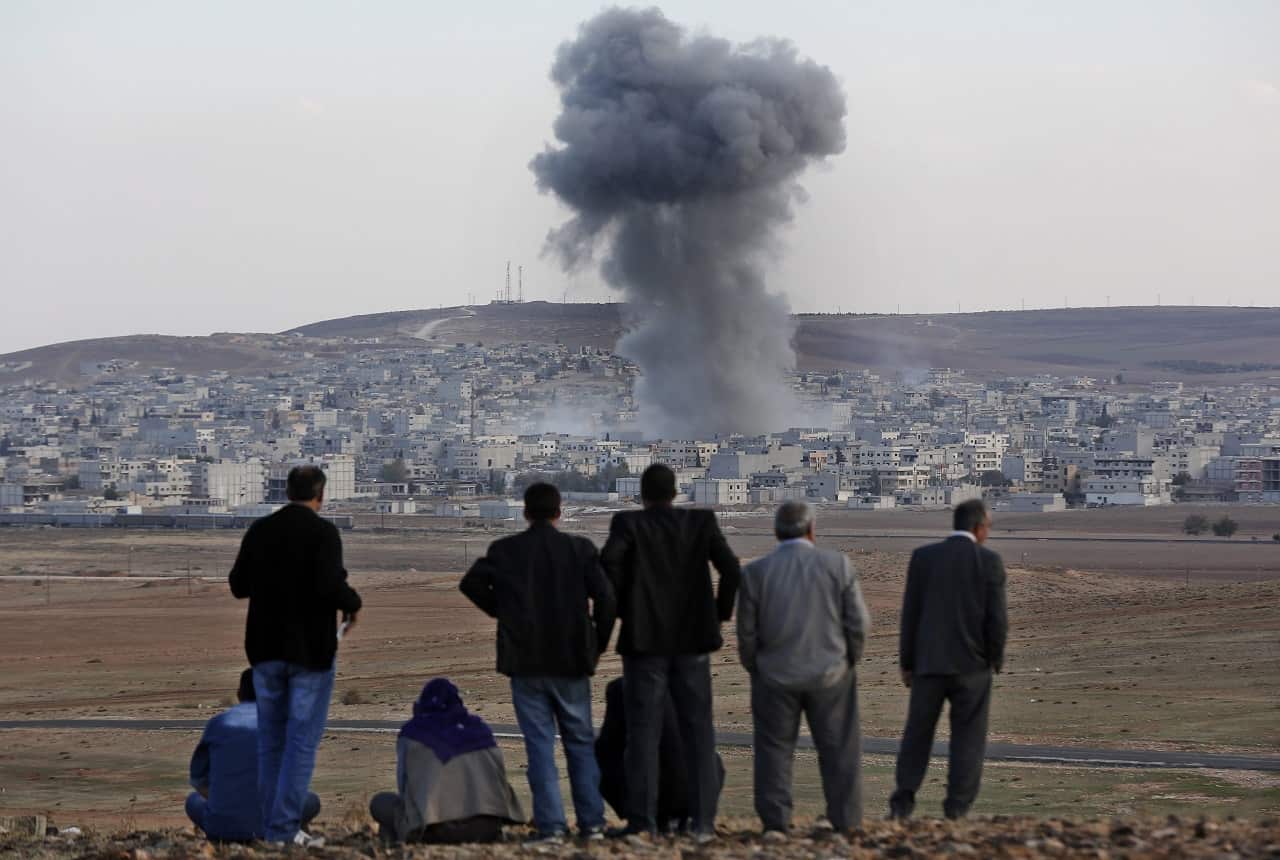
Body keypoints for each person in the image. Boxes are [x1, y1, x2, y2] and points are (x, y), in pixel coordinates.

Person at [459, 482, 616, 843]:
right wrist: (597, 645)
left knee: (539, 746)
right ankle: (592, 824)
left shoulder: (506, 550)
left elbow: (471, 584)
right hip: (572, 661)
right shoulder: (579, 549)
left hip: (526, 662)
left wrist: (503, 613)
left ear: (526, 513)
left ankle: (552, 828)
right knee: (579, 741)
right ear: (559, 512)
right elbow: (607, 599)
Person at [599, 463, 741, 842]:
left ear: (642, 496)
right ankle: (703, 824)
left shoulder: (628, 525)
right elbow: (731, 570)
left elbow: (607, 569)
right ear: (676, 493)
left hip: (645, 643)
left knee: (642, 736)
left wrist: (614, 616)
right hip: (693, 642)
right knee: (699, 733)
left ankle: (643, 823)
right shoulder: (701, 523)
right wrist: (718, 614)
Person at [229, 464, 362, 847]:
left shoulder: (261, 531)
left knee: (271, 741)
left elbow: (239, 586)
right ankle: (284, 830)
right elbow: (329, 584)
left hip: (265, 650)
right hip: (311, 652)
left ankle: (274, 828)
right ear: (321, 495)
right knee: (301, 742)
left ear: (286, 492)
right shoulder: (323, 533)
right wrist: (352, 604)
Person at [737, 501, 870, 835]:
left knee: (774, 751)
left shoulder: (756, 572)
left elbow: (746, 633)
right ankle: (844, 822)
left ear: (776, 532)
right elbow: (858, 623)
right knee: (839, 748)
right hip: (830, 674)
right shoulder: (837, 565)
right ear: (812, 530)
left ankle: (775, 824)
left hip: (774, 675)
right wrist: (848, 660)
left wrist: (757, 668)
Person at [889, 499, 1008, 820]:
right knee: (968, 741)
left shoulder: (924, 558)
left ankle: (902, 803)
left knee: (917, 735)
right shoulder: (989, 562)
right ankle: (957, 809)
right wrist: (995, 659)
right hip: (973, 668)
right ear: (979, 528)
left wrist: (907, 662)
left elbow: (910, 615)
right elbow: (996, 619)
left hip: (929, 665)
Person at [369, 678, 525, 844]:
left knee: (380, 803)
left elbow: (404, 786)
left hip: (436, 831)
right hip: (487, 828)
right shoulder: (481, 730)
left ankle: (392, 848)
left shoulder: (412, 734)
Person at [186, 669, 320, 842]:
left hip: (221, 828)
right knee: (311, 801)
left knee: (192, 801)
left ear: (239, 694)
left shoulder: (219, 723)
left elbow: (198, 780)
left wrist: (227, 800)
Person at [594, 677, 726, 834]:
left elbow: (606, 746)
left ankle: (643, 820)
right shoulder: (691, 683)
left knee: (599, 756)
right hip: (693, 793)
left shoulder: (622, 687)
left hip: (651, 793)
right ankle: (697, 820)